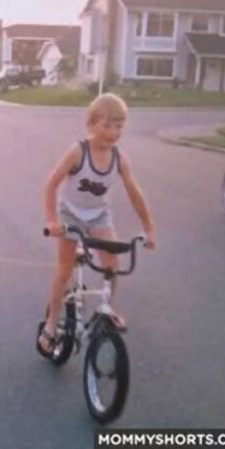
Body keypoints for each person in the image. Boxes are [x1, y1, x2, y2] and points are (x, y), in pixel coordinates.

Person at [37, 93, 157, 358]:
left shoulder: (120, 158)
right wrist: (52, 220)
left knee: (112, 264)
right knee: (64, 270)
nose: (113, 133)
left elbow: (135, 194)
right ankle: (51, 322)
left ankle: (107, 306)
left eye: (119, 126)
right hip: (70, 215)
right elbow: (51, 183)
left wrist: (149, 228)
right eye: (107, 125)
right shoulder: (78, 151)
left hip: (98, 215)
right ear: (91, 124)